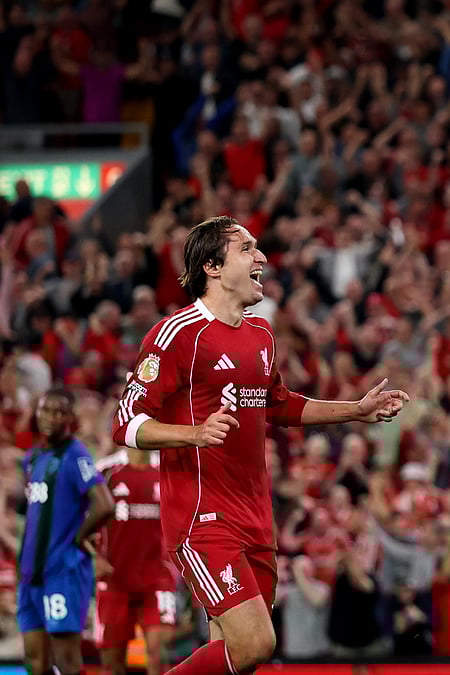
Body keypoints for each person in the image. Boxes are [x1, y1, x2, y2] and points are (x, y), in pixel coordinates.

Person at [109, 216, 409, 675]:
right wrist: (192, 433)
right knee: (255, 643)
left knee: (234, 658)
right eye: (247, 249)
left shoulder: (261, 336)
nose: (262, 258)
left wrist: (356, 409)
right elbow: (125, 423)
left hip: (255, 516)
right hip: (202, 516)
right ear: (212, 266)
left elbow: (279, 405)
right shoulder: (177, 335)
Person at [17, 389, 116, 675]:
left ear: (71, 418)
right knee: (35, 661)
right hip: (30, 576)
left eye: (59, 412)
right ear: (37, 413)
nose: (51, 417)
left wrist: (78, 536)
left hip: (62, 572)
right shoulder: (33, 458)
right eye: (46, 410)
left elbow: (104, 504)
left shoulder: (75, 455)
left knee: (67, 660)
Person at [93, 448, 175, 675]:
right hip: (114, 579)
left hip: (157, 576)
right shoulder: (106, 470)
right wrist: (93, 557)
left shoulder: (167, 469)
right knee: (113, 663)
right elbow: (78, 516)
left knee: (158, 651)